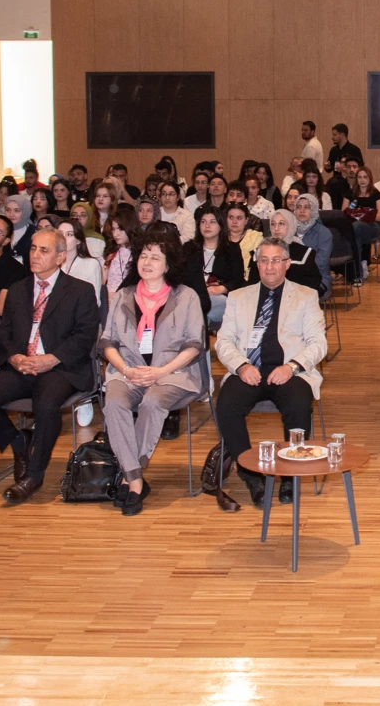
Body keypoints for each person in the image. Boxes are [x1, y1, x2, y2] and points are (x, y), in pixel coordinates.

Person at [0, 229, 100, 505]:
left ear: (61, 257)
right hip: (22, 365)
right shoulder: (18, 289)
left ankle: (34, 475)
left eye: (44, 250)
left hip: (59, 367)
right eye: (33, 249)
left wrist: (51, 358)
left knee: (46, 405)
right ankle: (18, 442)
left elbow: (85, 336)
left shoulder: (80, 290)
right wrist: (14, 357)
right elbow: (3, 333)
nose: (35, 255)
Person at [215, 237, 328, 508]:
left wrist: (291, 367)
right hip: (249, 368)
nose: (269, 267)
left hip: (288, 370)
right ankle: (251, 475)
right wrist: (241, 366)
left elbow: (318, 343)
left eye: (276, 260)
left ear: (287, 264)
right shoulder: (239, 297)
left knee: (299, 404)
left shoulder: (305, 296)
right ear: (256, 264)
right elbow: (223, 341)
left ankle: (291, 474)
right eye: (264, 260)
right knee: (226, 405)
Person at [100, 230, 206, 516]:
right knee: (114, 403)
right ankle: (135, 479)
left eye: (155, 257)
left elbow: (195, 344)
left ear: (168, 264)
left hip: (174, 372)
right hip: (128, 371)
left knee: (152, 402)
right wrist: (125, 369)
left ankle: (129, 479)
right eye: (143, 256)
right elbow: (107, 342)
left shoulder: (186, 297)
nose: (147, 262)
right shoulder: (123, 295)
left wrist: (160, 371)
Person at [187, 206, 245, 329]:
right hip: (194, 296)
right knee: (197, 305)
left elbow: (238, 280)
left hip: (219, 298)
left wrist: (222, 289)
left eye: (212, 222)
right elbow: (182, 278)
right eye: (203, 222)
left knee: (206, 304)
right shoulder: (189, 248)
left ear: (220, 226)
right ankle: (202, 344)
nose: (207, 226)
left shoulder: (232, 249)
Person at [248, 209, 323, 295]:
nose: (276, 228)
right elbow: (253, 284)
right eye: (273, 224)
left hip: (296, 300)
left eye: (281, 224)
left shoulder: (303, 253)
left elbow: (313, 283)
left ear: (291, 225)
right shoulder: (260, 252)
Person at [292, 194, 333, 299]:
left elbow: (320, 262)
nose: (302, 211)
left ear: (314, 210)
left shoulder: (324, 233)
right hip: (290, 278)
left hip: (317, 278)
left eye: (307, 207)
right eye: (298, 207)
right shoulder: (289, 231)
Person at [225, 202, 263, 280]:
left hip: (246, 281)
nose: (234, 222)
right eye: (231, 217)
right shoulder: (219, 237)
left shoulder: (256, 237)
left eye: (239, 218)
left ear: (246, 220)